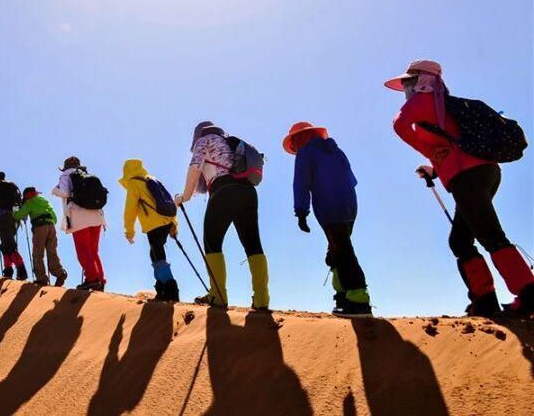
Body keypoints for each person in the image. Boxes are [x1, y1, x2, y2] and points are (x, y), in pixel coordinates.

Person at [387, 59, 534, 316]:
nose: (407, 88)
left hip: (467, 177)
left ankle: (529, 295)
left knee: (490, 236)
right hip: (484, 173)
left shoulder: (423, 99)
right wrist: (435, 167)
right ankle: (485, 300)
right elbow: (452, 146)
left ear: (423, 80)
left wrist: (429, 151)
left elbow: (399, 124)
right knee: (460, 240)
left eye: (410, 81)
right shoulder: (443, 105)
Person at [174, 122, 269, 311]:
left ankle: (218, 296)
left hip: (224, 190)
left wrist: (184, 196)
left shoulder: (204, 140)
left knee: (212, 243)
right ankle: (262, 299)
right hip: (248, 192)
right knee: (253, 244)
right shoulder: (229, 143)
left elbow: (195, 167)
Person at [283, 122, 372, 318]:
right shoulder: (336, 151)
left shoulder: (305, 153)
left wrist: (301, 212)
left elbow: (300, 183)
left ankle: (358, 300)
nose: (294, 147)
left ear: (299, 138)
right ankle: (342, 297)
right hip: (350, 204)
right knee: (336, 249)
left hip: (329, 205)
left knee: (342, 250)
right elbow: (352, 180)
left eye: (294, 142)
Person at [119, 159, 180, 299]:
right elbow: (167, 200)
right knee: (155, 251)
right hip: (167, 222)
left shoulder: (134, 184)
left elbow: (130, 210)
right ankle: (161, 287)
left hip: (153, 224)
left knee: (157, 252)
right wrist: (174, 223)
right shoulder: (151, 179)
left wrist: (129, 232)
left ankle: (170, 288)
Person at [51, 156, 107, 290]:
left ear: (65, 167)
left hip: (79, 216)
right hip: (97, 216)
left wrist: (54, 190)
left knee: (83, 250)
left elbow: (64, 192)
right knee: (93, 251)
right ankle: (100, 280)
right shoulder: (86, 175)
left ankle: (91, 279)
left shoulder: (66, 175)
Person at [13, 187, 67, 287]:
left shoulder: (30, 203)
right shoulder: (44, 200)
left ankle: (42, 279)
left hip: (39, 227)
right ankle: (60, 273)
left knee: (38, 254)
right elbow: (55, 218)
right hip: (51, 226)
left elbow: (17, 216)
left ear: (26, 196)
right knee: (52, 252)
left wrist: (15, 208)